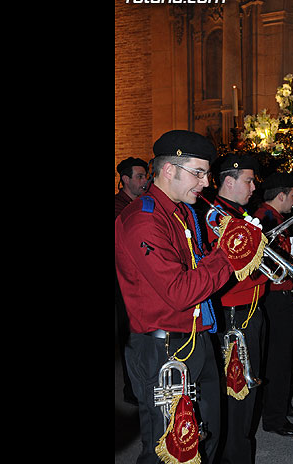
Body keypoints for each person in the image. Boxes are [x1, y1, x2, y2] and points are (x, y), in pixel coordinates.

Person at [115, 130, 265, 464]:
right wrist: (231, 252)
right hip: (161, 349)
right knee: (169, 446)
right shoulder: (143, 219)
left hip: (196, 338)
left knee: (206, 437)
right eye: (198, 173)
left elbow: (199, 267)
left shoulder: (180, 211)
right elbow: (180, 291)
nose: (207, 182)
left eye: (206, 173)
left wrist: (226, 250)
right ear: (169, 171)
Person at [204, 154, 269, 464]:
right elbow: (220, 274)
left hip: (252, 310)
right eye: (248, 180)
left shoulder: (241, 214)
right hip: (234, 316)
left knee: (249, 389)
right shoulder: (215, 217)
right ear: (228, 182)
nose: (254, 186)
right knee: (235, 394)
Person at [253, 172, 293, 437]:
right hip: (274, 296)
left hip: (284, 295)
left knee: (288, 353)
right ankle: (274, 417)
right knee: (278, 359)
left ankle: (282, 404)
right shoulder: (265, 219)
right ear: (281, 195)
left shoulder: (277, 218)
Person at [115, 156, 148, 405]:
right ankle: (132, 388)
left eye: (145, 176)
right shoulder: (119, 207)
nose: (144, 181)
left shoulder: (141, 203)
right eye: (139, 176)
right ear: (125, 180)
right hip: (123, 280)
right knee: (130, 333)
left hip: (140, 280)